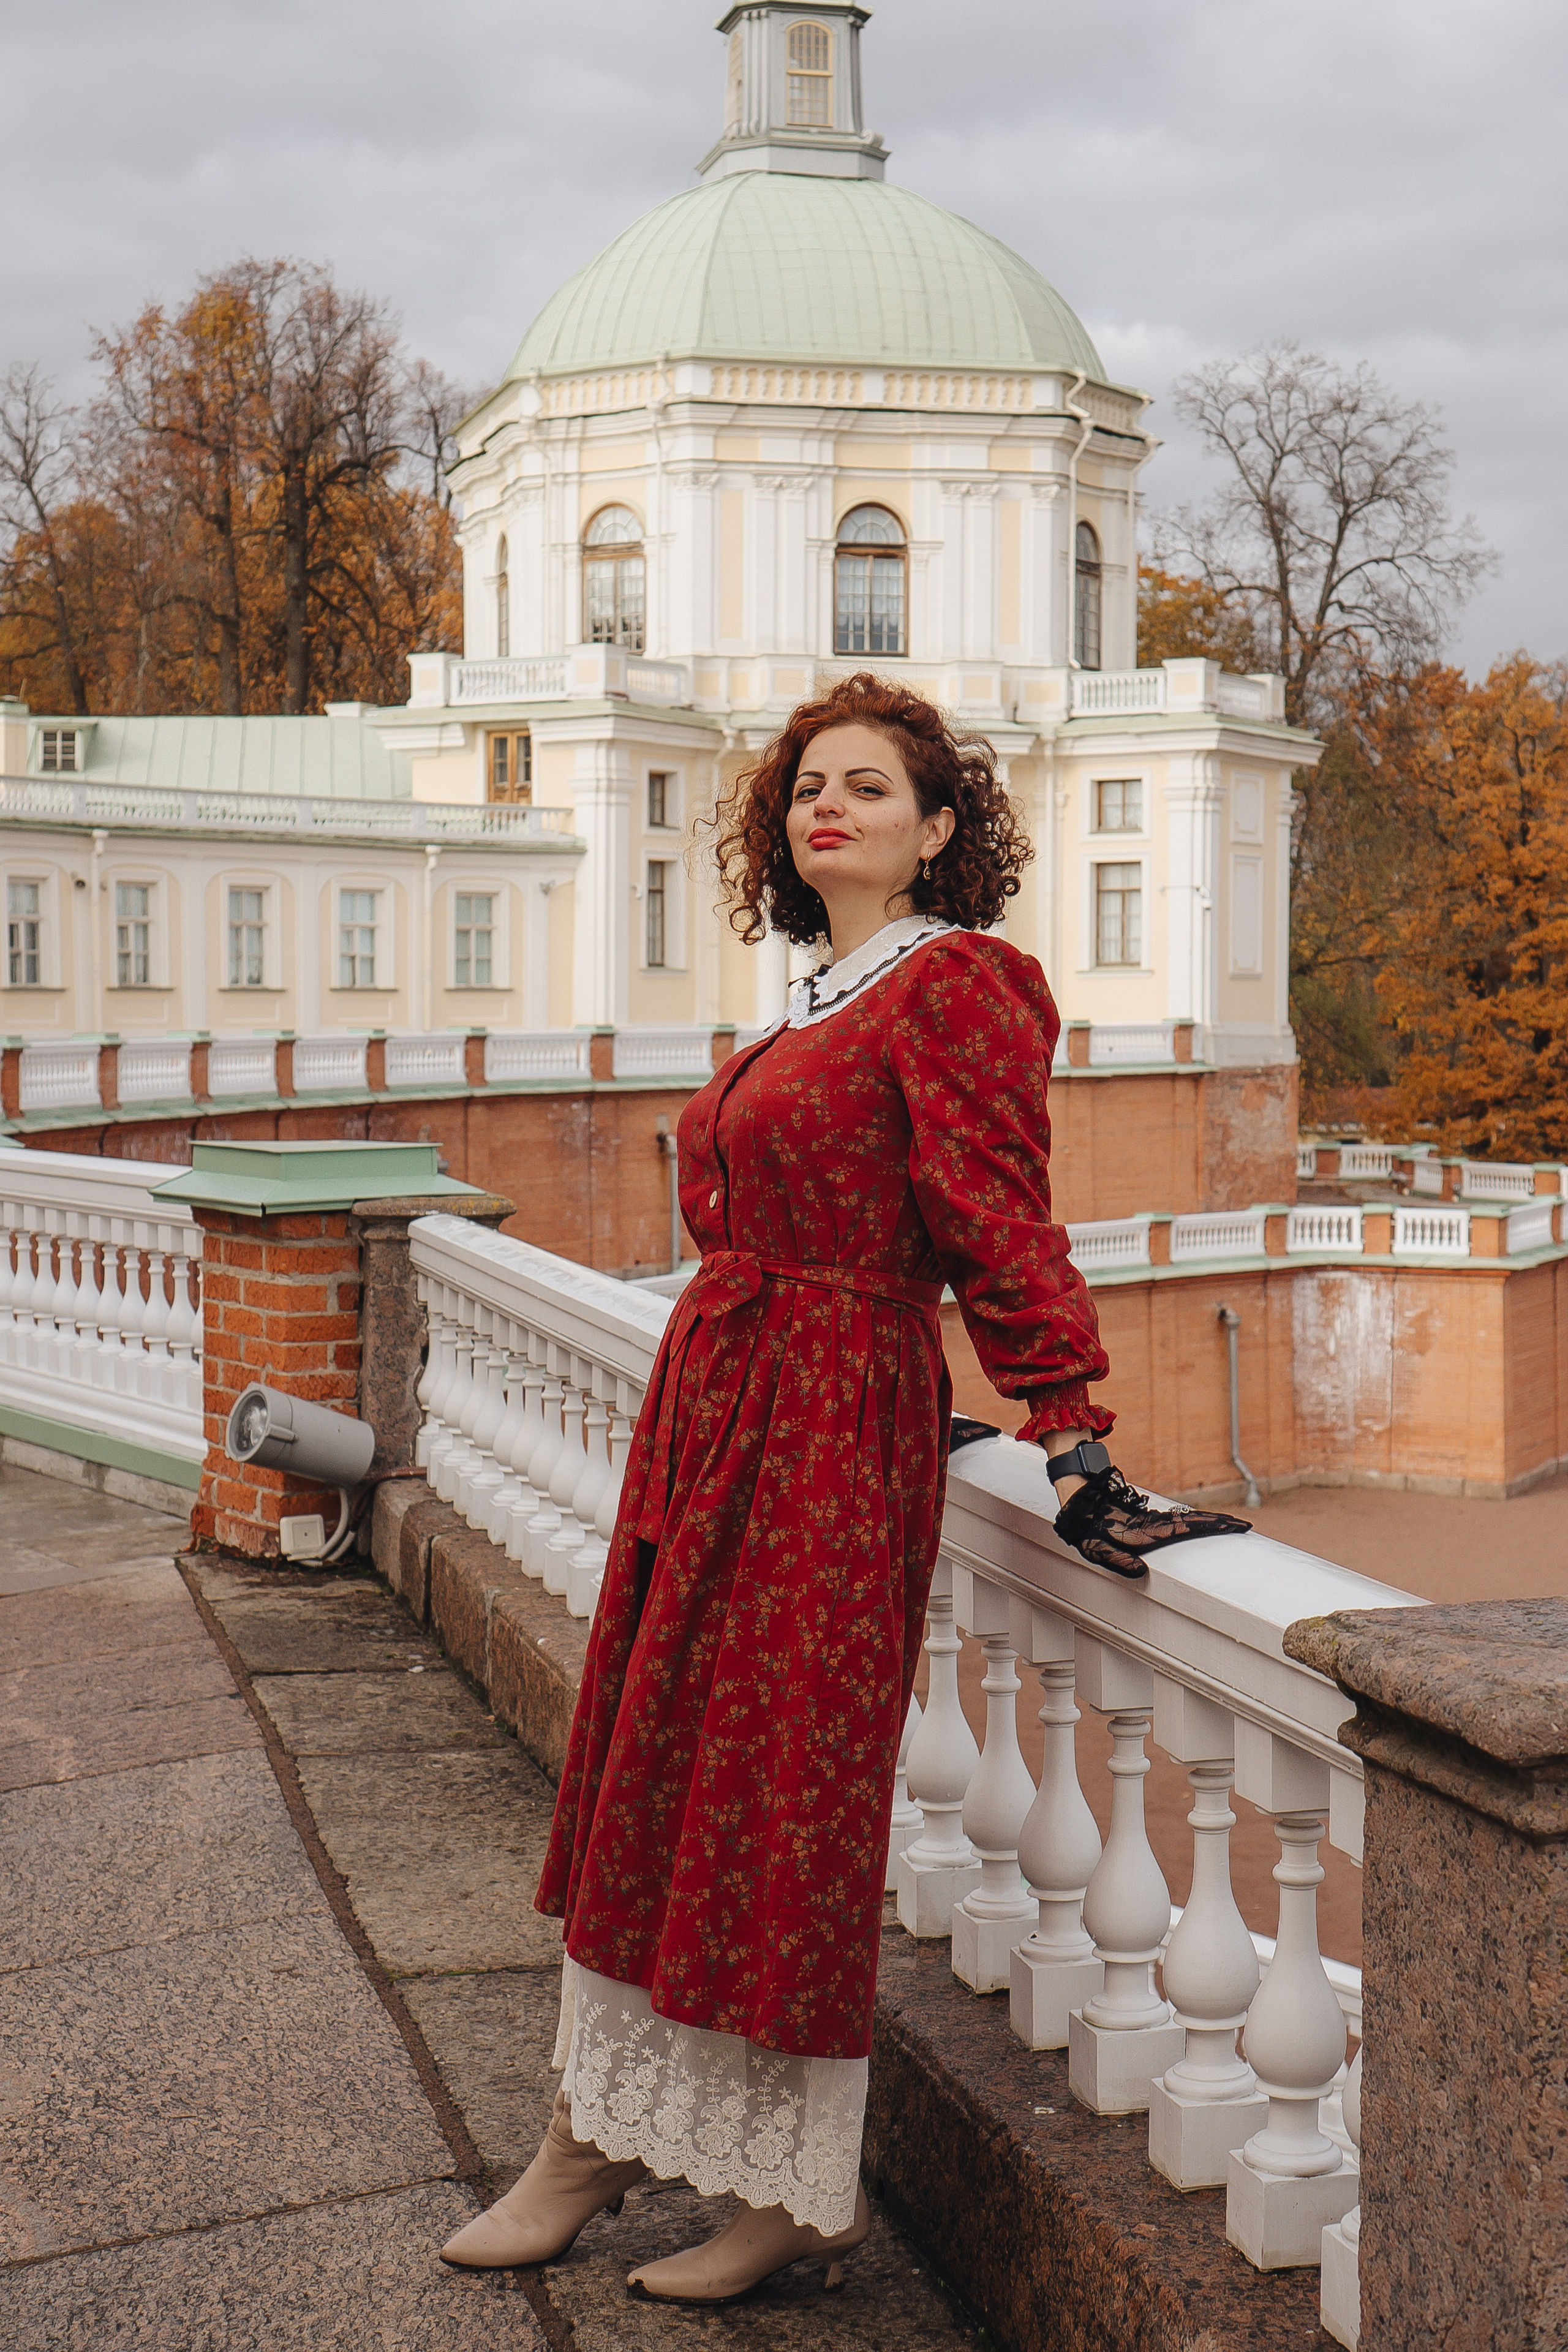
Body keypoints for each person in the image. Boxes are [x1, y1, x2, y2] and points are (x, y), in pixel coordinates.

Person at [439, 674, 1247, 2303]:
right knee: (658, 1771)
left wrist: (1068, 1424)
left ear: (939, 828)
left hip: (823, 1429)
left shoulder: (956, 985)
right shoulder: (813, 992)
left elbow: (995, 1214)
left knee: (776, 1794)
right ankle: (592, 2129)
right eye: (811, 784)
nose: (831, 807)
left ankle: (791, 2189)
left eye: (872, 787)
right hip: (723, 1407)